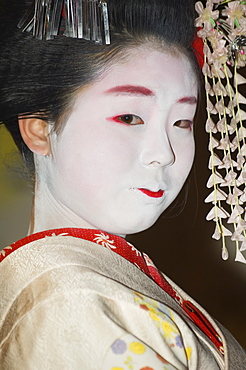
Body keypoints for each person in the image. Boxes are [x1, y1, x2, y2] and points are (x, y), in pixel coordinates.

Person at [0, 0, 245, 368]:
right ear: (40, 129)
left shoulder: (85, 279)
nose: (163, 154)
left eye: (182, 122)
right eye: (129, 116)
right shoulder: (70, 299)